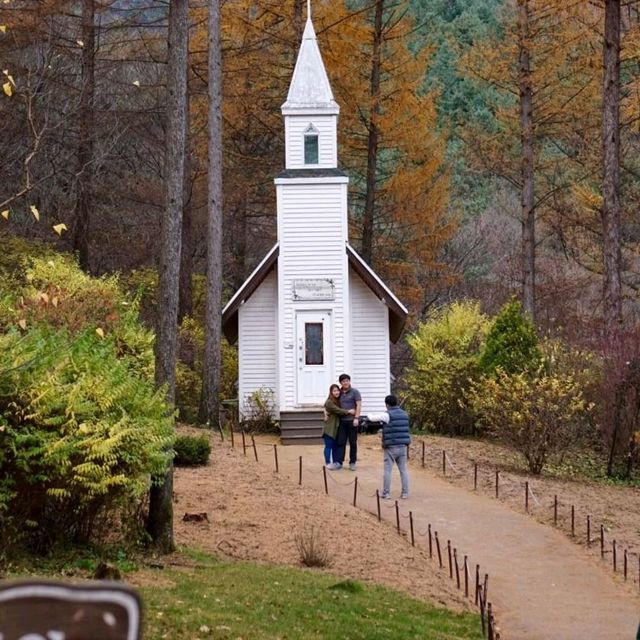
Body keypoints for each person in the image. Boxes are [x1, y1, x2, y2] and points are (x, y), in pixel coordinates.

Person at [367, 394, 411, 499]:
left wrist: (367, 413)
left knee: (387, 471)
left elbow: (372, 418)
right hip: (403, 446)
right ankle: (405, 493)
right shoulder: (405, 414)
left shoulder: (387, 415)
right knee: (403, 470)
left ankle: (386, 493)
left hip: (391, 447)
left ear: (387, 404)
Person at [330, 373, 362, 471]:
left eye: (347, 381)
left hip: (352, 421)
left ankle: (352, 462)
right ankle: (339, 462)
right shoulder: (338, 393)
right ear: (341, 383)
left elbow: (359, 405)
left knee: (353, 442)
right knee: (341, 442)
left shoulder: (355, 392)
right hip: (342, 421)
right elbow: (330, 402)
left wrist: (356, 417)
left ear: (349, 381)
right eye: (343, 381)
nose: (346, 383)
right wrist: (325, 412)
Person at [322, 384, 354, 466]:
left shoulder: (337, 400)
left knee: (335, 446)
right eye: (334, 391)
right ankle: (328, 462)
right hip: (330, 428)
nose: (336, 392)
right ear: (331, 392)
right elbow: (338, 410)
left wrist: (325, 412)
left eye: (337, 390)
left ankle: (336, 462)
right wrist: (349, 411)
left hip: (337, 428)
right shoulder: (329, 402)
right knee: (328, 446)